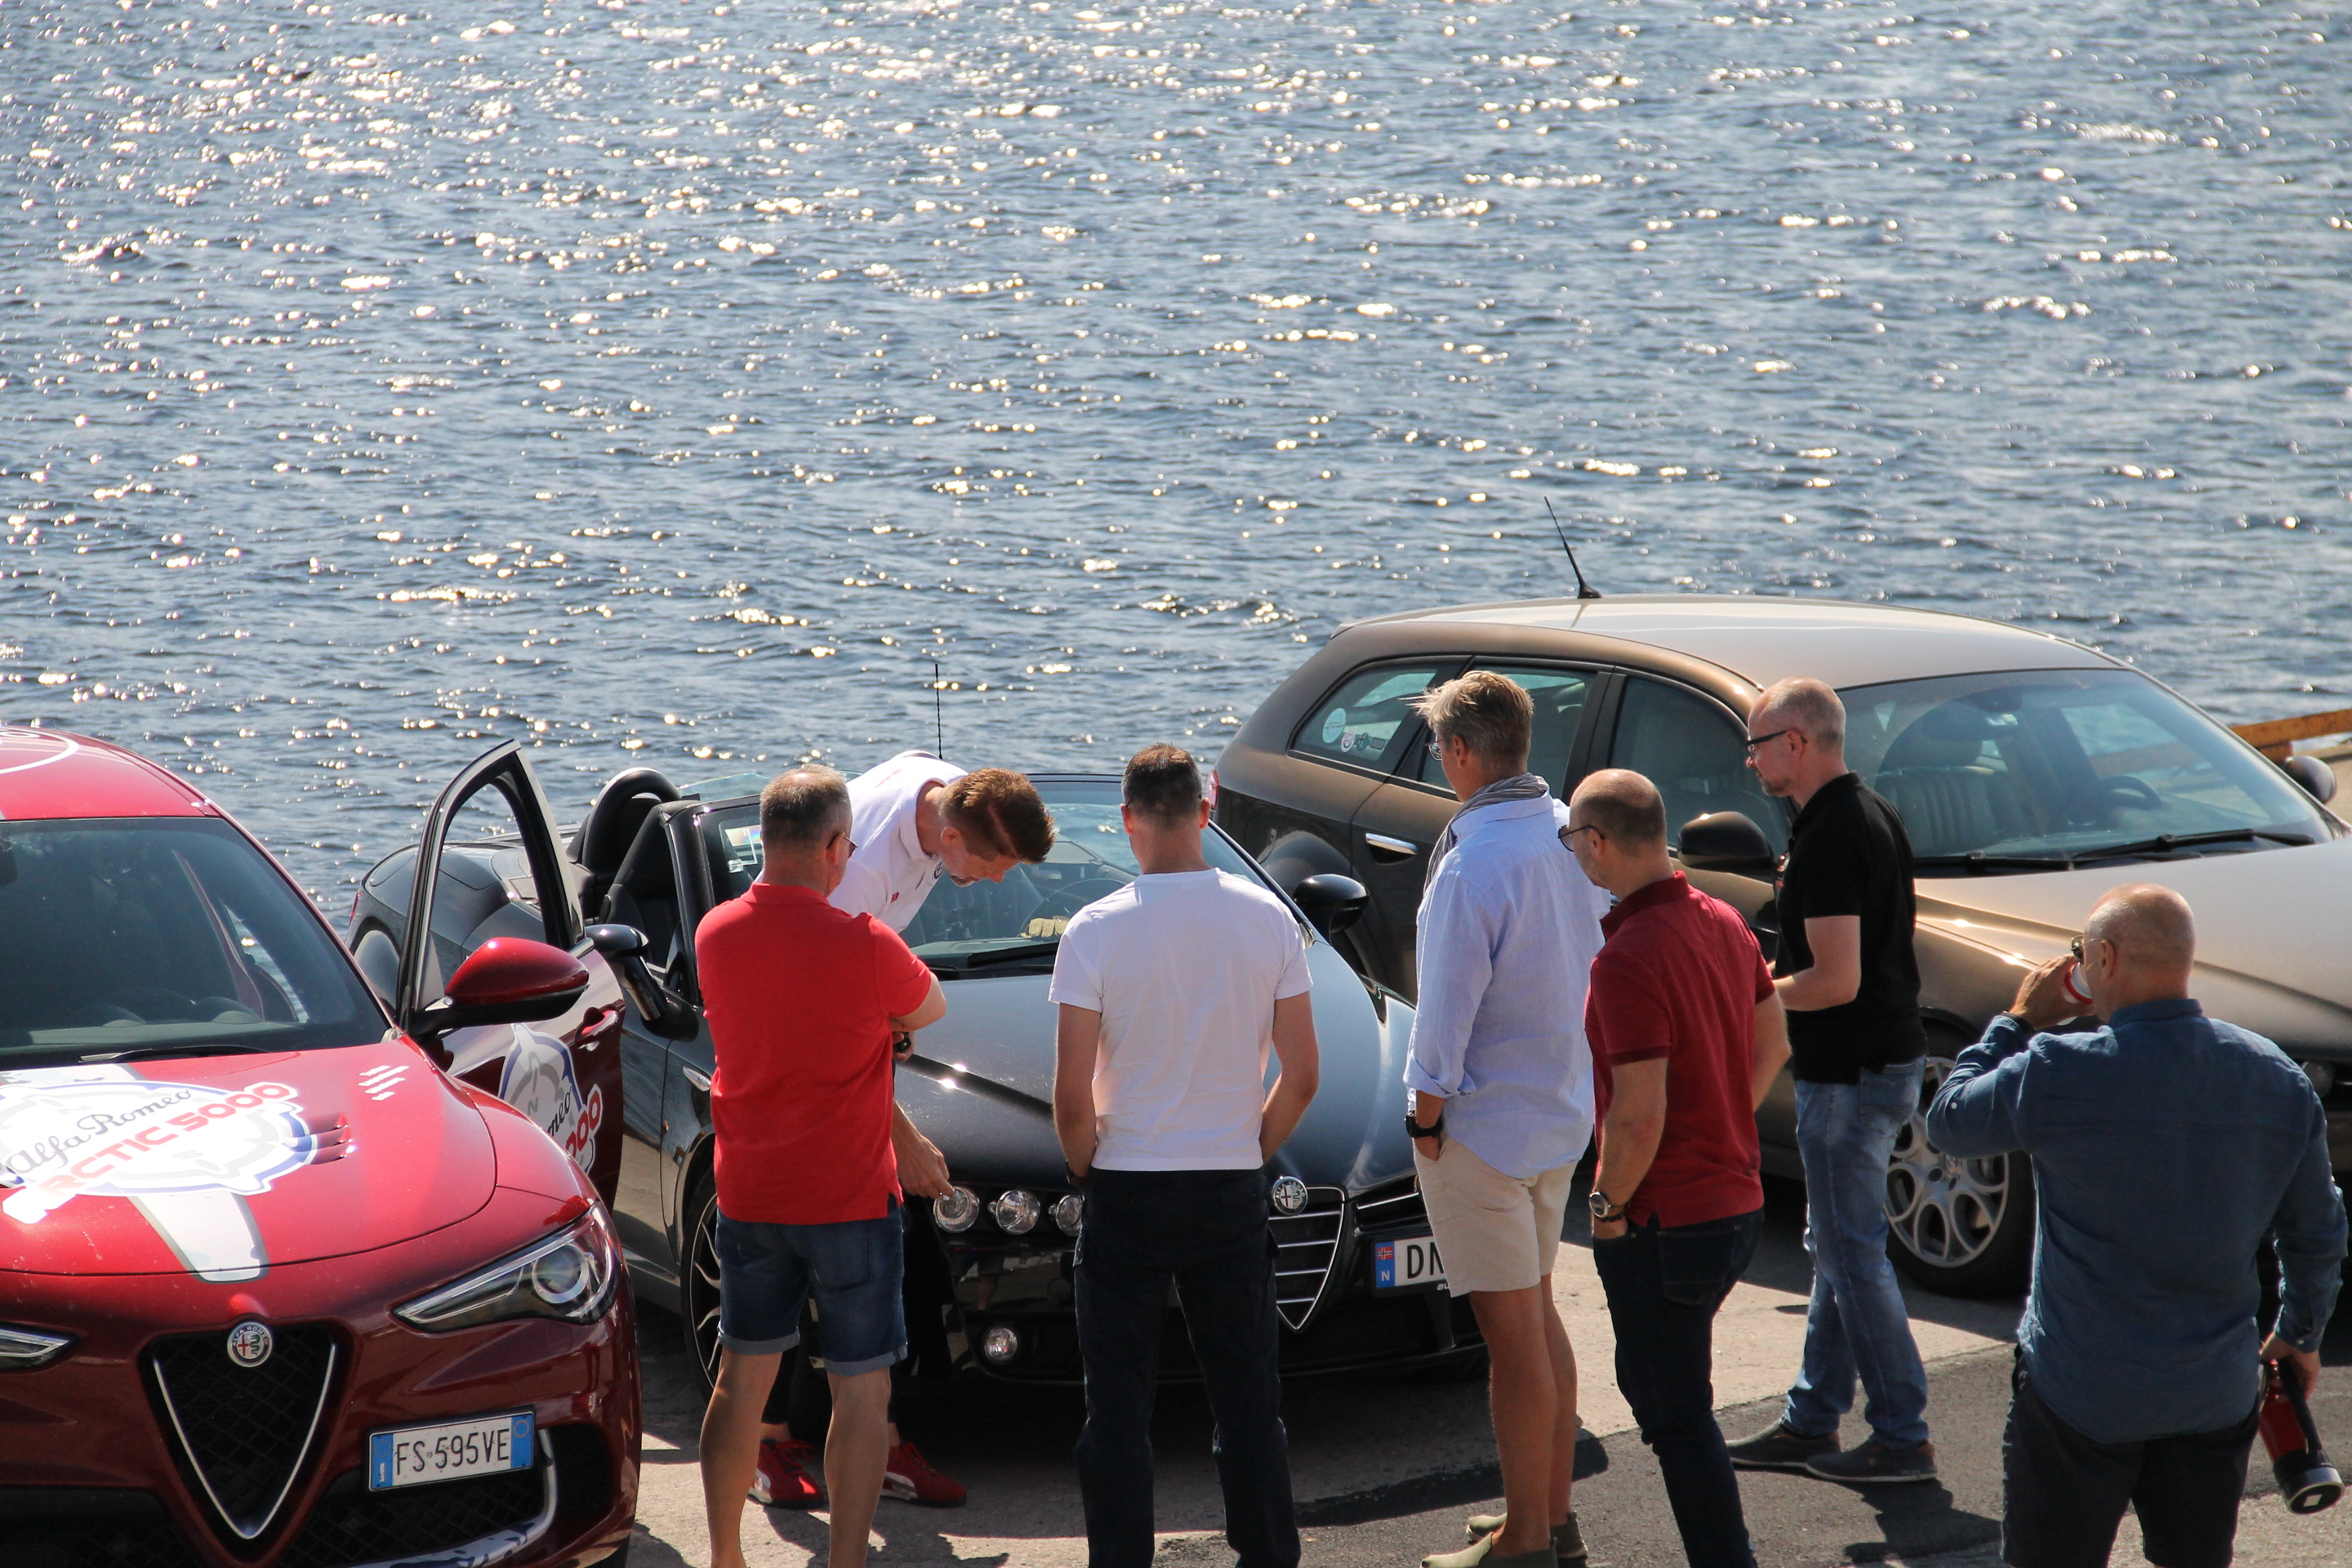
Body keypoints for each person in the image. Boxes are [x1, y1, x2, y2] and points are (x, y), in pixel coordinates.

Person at [1926, 884, 2346, 1568]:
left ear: (2105, 958)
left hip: (2079, 1392)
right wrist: (2300, 1332)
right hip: (2213, 1393)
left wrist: (2017, 1020)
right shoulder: (2275, 1077)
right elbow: (2317, 1230)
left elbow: (1949, 1121)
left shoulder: (2056, 1069)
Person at [755, 753, 1055, 1511]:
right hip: (798, 1053)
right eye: (993, 867)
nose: (997, 883)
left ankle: (881, 1445)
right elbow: (818, 1014)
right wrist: (905, 1140)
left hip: (850, 1011)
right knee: (801, 1261)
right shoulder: (859, 875)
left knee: (883, 1255)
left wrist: (887, 1014)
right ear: (949, 838)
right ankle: (769, 1441)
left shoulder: (947, 791)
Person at [1050, 743, 1320, 1568]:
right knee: (1248, 1402)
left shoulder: (1094, 930)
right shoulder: (1268, 918)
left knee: (1117, 1411)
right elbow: (1304, 1075)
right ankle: (1267, 1555)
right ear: (1206, 812)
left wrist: (1088, 1166)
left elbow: (1071, 1098)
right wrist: (1248, 1146)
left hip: (1128, 1187)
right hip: (1228, 1185)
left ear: (1126, 820)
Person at [693, 767, 949, 1568]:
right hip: (849, 1198)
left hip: (751, 1193)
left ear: (767, 841)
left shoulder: (715, 933)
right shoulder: (867, 943)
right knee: (862, 1390)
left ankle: (727, 1556)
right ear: (838, 847)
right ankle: (845, 1561)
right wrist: (883, 1026)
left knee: (741, 1381)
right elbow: (929, 1007)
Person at [1405, 670, 1611, 1568]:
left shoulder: (1472, 864)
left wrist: (1423, 1121)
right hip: (1561, 1117)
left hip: (1484, 1133)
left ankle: (1525, 1539)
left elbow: (1442, 1020)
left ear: (1459, 752)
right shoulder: (1572, 831)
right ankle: (1550, 1517)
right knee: (1540, 1320)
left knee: (1514, 1344)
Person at [1566, 770, 1789, 1568]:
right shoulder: (1724, 919)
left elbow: (1637, 1115)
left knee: (1674, 1416)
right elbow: (1774, 1043)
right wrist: (1721, 1121)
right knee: (1672, 1401)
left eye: (1572, 838)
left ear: (1597, 843)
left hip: (1667, 1220)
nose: (1572, 852)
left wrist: (1605, 1208)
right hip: (1734, 1205)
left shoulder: (1626, 958)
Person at [1726, 677, 1937, 1485]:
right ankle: (1812, 1418)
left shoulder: (1830, 835)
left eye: (1756, 745)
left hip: (1850, 1072)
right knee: (1837, 1247)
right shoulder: (1868, 812)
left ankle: (1902, 1435)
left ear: (1797, 741)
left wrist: (1746, 995)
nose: (1750, 762)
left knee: (1851, 1255)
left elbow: (1835, 980)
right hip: (1875, 1062)